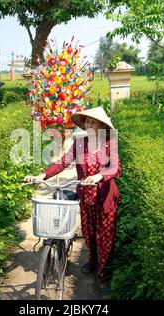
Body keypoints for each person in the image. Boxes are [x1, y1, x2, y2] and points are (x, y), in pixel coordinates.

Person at [24, 107, 122, 297]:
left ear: (101, 125)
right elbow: (63, 163)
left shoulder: (109, 143)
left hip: (104, 199)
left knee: (105, 240)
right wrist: (42, 175)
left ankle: (102, 276)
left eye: (93, 122)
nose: (89, 125)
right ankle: (92, 261)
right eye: (86, 122)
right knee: (89, 234)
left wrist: (99, 176)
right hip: (86, 198)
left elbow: (115, 168)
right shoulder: (80, 143)